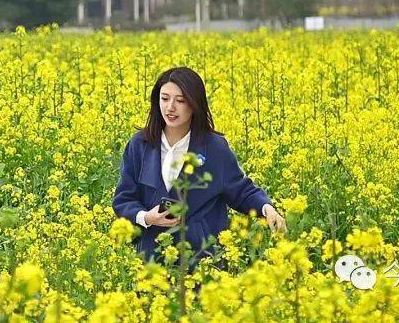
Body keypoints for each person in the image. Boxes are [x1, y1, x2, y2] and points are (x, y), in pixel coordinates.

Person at [112, 67, 287, 263]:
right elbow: (124, 198)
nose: (170, 107)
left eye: (180, 101)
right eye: (164, 99)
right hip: (152, 259)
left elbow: (240, 191)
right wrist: (146, 217)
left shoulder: (214, 148)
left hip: (203, 262)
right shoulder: (140, 145)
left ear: (194, 103)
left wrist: (267, 209)